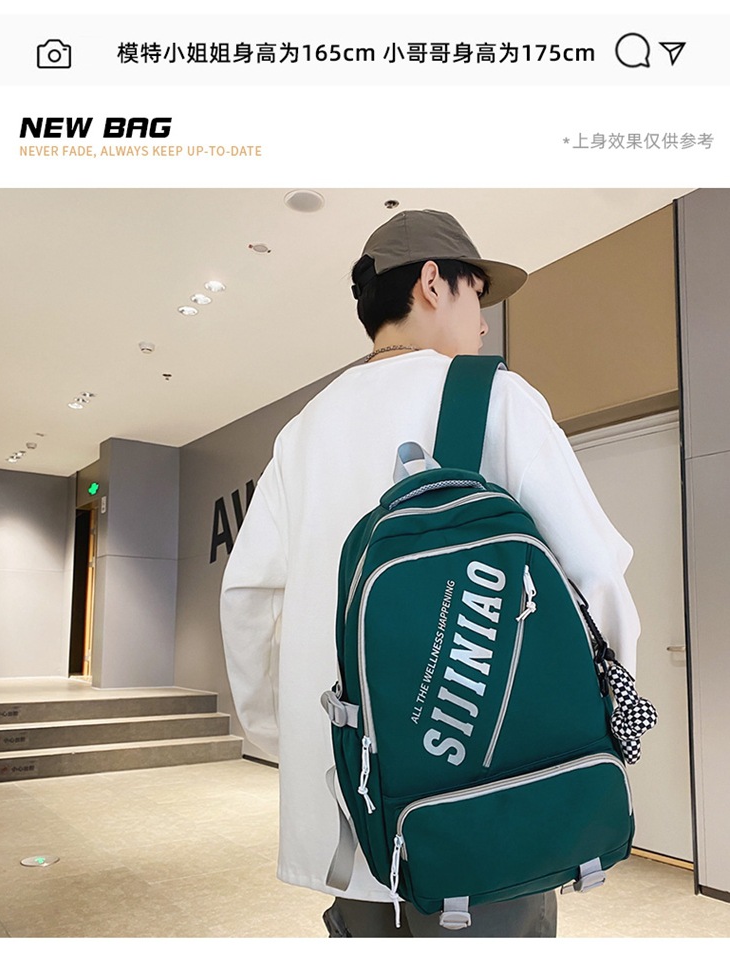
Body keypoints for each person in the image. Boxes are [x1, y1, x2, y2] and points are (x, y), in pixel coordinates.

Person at [219, 209, 640, 937]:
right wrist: (608, 718)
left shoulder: (303, 431)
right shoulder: (494, 397)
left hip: (351, 818)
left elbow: (247, 598)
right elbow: (595, 573)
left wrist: (290, 742)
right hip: (484, 802)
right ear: (433, 283)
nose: (483, 322)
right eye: (477, 295)